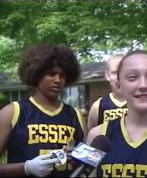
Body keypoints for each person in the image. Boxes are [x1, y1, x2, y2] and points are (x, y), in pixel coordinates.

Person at [0, 45, 86, 177]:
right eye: (51, 74)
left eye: (62, 75)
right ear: (37, 74)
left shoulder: (75, 115)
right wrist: (26, 168)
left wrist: (78, 156)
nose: (57, 80)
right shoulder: (12, 112)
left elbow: (91, 163)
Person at [87, 54, 127, 131]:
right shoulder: (98, 106)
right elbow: (90, 139)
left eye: (123, 72)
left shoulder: (142, 103)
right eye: (115, 73)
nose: (119, 77)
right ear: (107, 75)